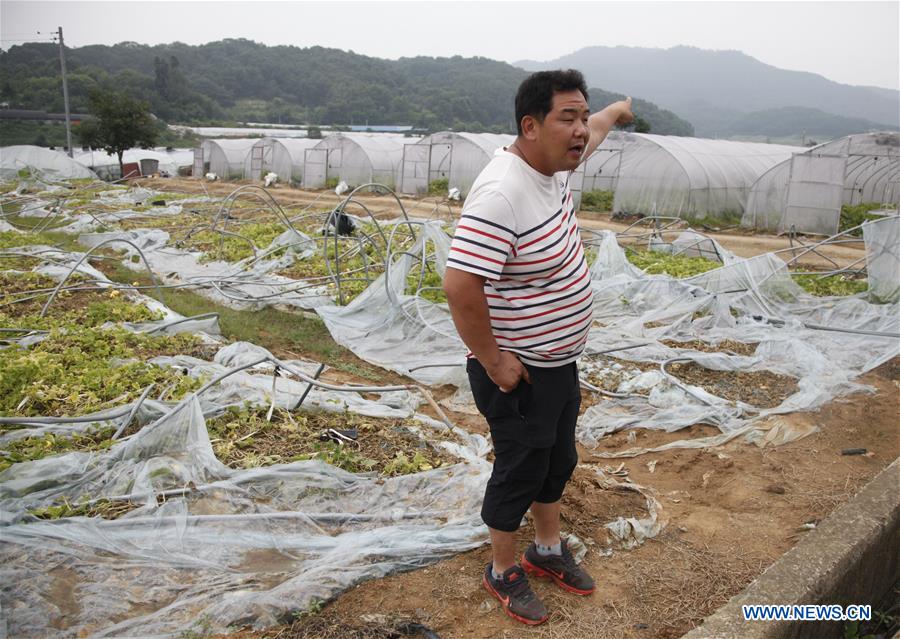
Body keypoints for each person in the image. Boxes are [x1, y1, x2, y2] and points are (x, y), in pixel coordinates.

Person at [442, 69, 633, 625]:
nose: (579, 131)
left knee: (558, 458)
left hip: (557, 362)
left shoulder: (554, 167)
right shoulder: (504, 191)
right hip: (518, 372)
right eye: (565, 118)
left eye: (581, 115)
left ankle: (546, 550)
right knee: (520, 467)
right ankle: (502, 570)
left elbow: (595, 128)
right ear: (530, 126)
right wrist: (496, 361)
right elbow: (460, 285)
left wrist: (617, 110)